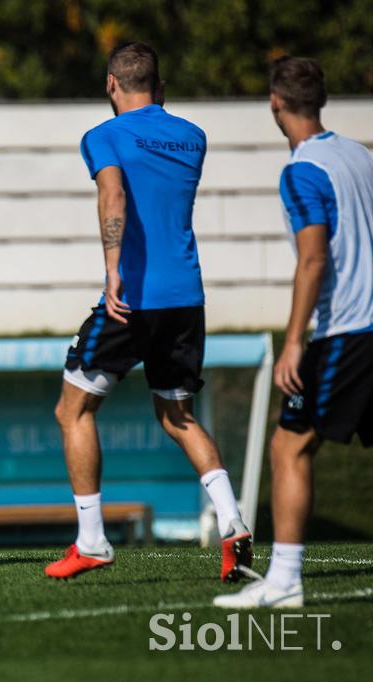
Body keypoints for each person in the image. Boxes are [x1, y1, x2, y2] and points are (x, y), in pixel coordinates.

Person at [46, 43, 253, 581]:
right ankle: (232, 522)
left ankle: (91, 541)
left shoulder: (103, 136)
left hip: (133, 297)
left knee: (73, 410)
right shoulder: (192, 136)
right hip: (187, 298)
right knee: (177, 415)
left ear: (111, 84)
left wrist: (113, 267)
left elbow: (113, 194)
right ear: (160, 88)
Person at [215, 57, 373, 608]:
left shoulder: (303, 169)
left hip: (347, 330)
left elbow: (313, 260)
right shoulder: (360, 155)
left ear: (275, 104)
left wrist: (293, 342)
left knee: (289, 446)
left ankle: (284, 582)